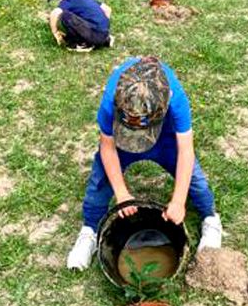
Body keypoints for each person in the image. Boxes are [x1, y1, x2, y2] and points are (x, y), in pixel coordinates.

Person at [67, 56, 222, 270]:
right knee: (100, 180)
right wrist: (121, 193)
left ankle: (210, 219)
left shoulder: (175, 99)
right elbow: (107, 147)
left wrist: (177, 201)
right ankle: (89, 231)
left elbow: (186, 151)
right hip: (122, 144)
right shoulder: (111, 100)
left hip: (165, 140)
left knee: (196, 182)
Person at [48, 0, 113, 51]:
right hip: (104, 34)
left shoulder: (69, 0)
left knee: (66, 16)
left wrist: (55, 32)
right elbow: (107, 9)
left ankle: (84, 44)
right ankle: (104, 40)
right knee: (79, 17)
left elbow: (54, 13)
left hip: (94, 36)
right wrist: (103, 28)